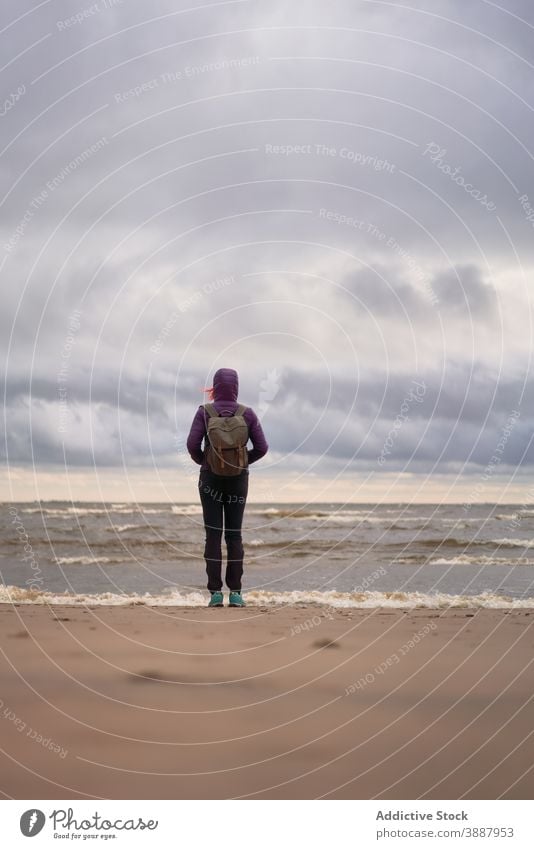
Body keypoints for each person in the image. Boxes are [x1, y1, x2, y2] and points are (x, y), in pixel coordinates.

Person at [186, 367, 268, 607]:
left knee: (213, 535)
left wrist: (207, 462)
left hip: (210, 479)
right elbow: (262, 448)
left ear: (215, 386)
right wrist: (242, 463)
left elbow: (192, 444)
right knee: (235, 536)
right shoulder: (248, 413)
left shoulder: (204, 412)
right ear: (236, 387)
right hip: (238, 481)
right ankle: (236, 593)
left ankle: (214, 594)